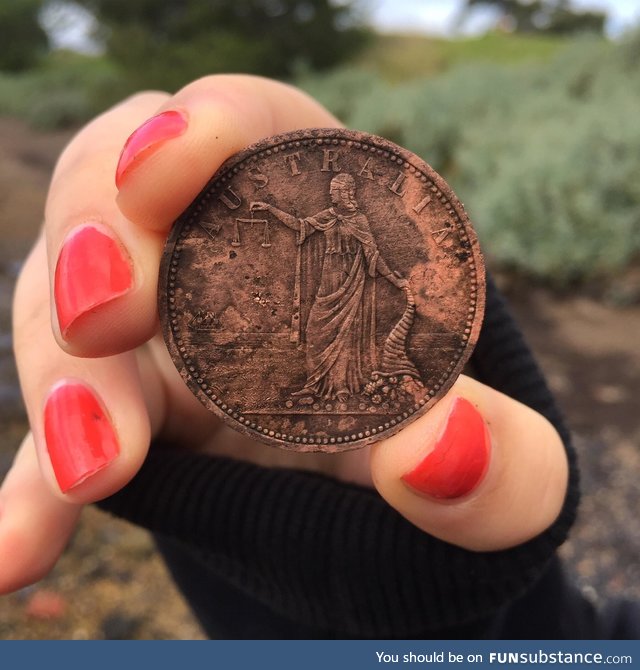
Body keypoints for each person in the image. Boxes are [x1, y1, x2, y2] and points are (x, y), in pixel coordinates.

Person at [2, 75, 638, 638]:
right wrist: (268, 205)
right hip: (327, 303)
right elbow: (297, 225)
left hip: (358, 300)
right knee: (325, 349)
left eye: (344, 192)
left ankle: (337, 393)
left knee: (349, 355)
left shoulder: (357, 227)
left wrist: (418, 292)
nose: (342, 198)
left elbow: (385, 267)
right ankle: (327, 393)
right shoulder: (329, 222)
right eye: (336, 191)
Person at [250, 173, 414, 403]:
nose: (329, 193)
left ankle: (342, 388)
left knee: (346, 335)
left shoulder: (360, 220)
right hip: (328, 285)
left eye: (334, 190)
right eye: (330, 190)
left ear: (345, 193)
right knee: (315, 331)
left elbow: (373, 255)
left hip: (350, 285)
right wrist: (270, 209)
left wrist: (394, 280)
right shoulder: (327, 216)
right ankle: (313, 385)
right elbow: (300, 226)